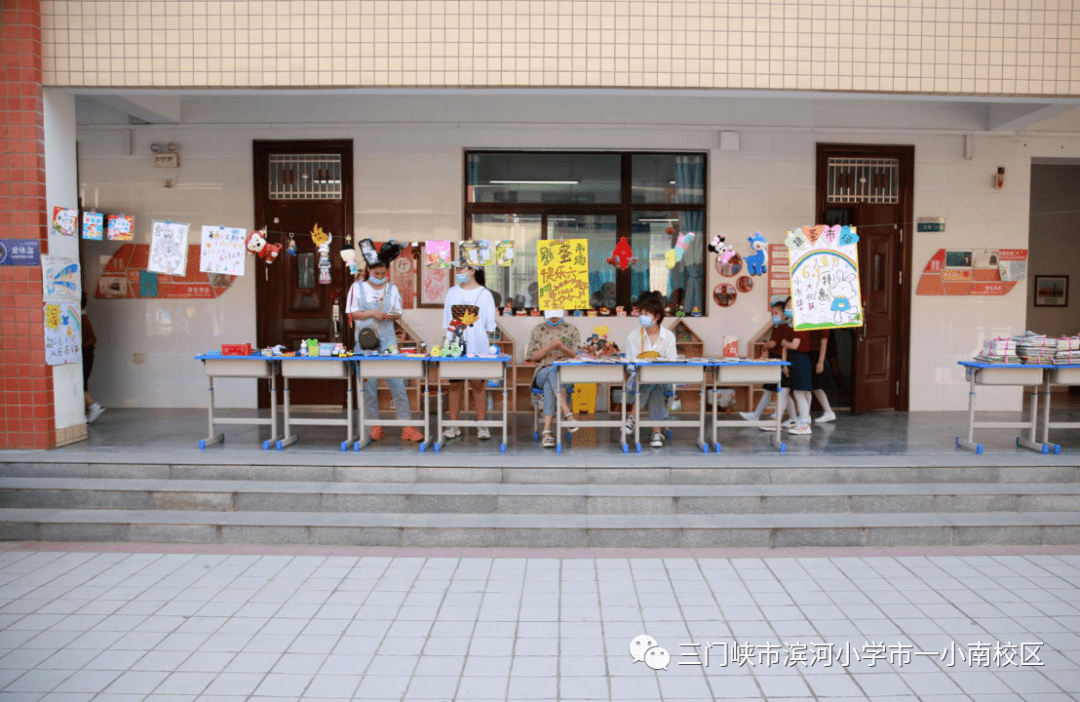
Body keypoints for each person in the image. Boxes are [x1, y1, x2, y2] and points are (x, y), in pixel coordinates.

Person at [346, 254, 424, 443]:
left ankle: (407, 427)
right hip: (365, 343)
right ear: (368, 272)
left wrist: (391, 316)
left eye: (383, 273)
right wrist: (372, 313)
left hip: (389, 342)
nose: (380, 276)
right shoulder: (357, 288)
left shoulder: (392, 289)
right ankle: (374, 427)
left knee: (397, 384)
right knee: (369, 387)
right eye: (376, 273)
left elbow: (398, 312)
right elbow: (352, 314)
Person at [441, 257, 497, 440]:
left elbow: (490, 325)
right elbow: (447, 320)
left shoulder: (484, 293)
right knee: (454, 386)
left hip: (477, 345)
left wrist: (480, 343)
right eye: (456, 269)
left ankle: (482, 426)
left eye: (461, 269)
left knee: (478, 385)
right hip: (454, 344)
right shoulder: (452, 292)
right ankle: (453, 425)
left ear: (472, 270)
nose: (458, 272)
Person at [623, 293, 677, 448]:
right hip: (637, 383)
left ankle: (632, 417)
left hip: (663, 380)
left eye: (646, 314)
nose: (642, 317)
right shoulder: (633, 336)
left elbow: (672, 362)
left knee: (657, 382)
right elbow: (630, 365)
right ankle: (656, 432)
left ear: (657, 316)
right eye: (641, 313)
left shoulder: (668, 337)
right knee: (651, 383)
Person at [525, 309, 581, 448]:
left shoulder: (572, 329)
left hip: (566, 374)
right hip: (542, 373)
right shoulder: (537, 330)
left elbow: (577, 355)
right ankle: (568, 414)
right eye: (552, 317)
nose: (554, 319)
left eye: (556, 317)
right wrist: (549, 347)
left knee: (551, 383)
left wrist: (562, 347)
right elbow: (531, 357)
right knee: (551, 371)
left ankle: (547, 432)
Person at [740, 300, 794, 426]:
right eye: (772, 312)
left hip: (779, 361)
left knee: (780, 391)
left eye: (777, 312)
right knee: (775, 391)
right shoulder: (779, 326)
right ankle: (791, 418)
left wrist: (764, 347)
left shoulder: (783, 326)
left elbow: (774, 343)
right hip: (775, 359)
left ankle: (771, 416)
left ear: (784, 313)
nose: (773, 315)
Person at [779, 301, 814, 435]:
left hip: (800, 360)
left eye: (790, 306)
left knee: (800, 394)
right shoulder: (792, 324)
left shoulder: (800, 324)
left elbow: (794, 345)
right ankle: (803, 422)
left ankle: (804, 424)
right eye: (786, 306)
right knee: (802, 393)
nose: (787, 309)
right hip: (795, 360)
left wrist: (784, 343)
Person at [81, 292, 105, 424]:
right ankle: (91, 409)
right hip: (87, 354)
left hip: (85, 354)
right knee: (82, 385)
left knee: (81, 385)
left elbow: (91, 339)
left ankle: (93, 406)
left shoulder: (82, 318)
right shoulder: (83, 317)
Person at [810, 329, 837, 423]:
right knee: (814, 387)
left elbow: (824, 343)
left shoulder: (823, 325)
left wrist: (820, 362)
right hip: (809, 355)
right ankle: (828, 412)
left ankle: (828, 412)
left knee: (815, 386)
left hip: (816, 357)